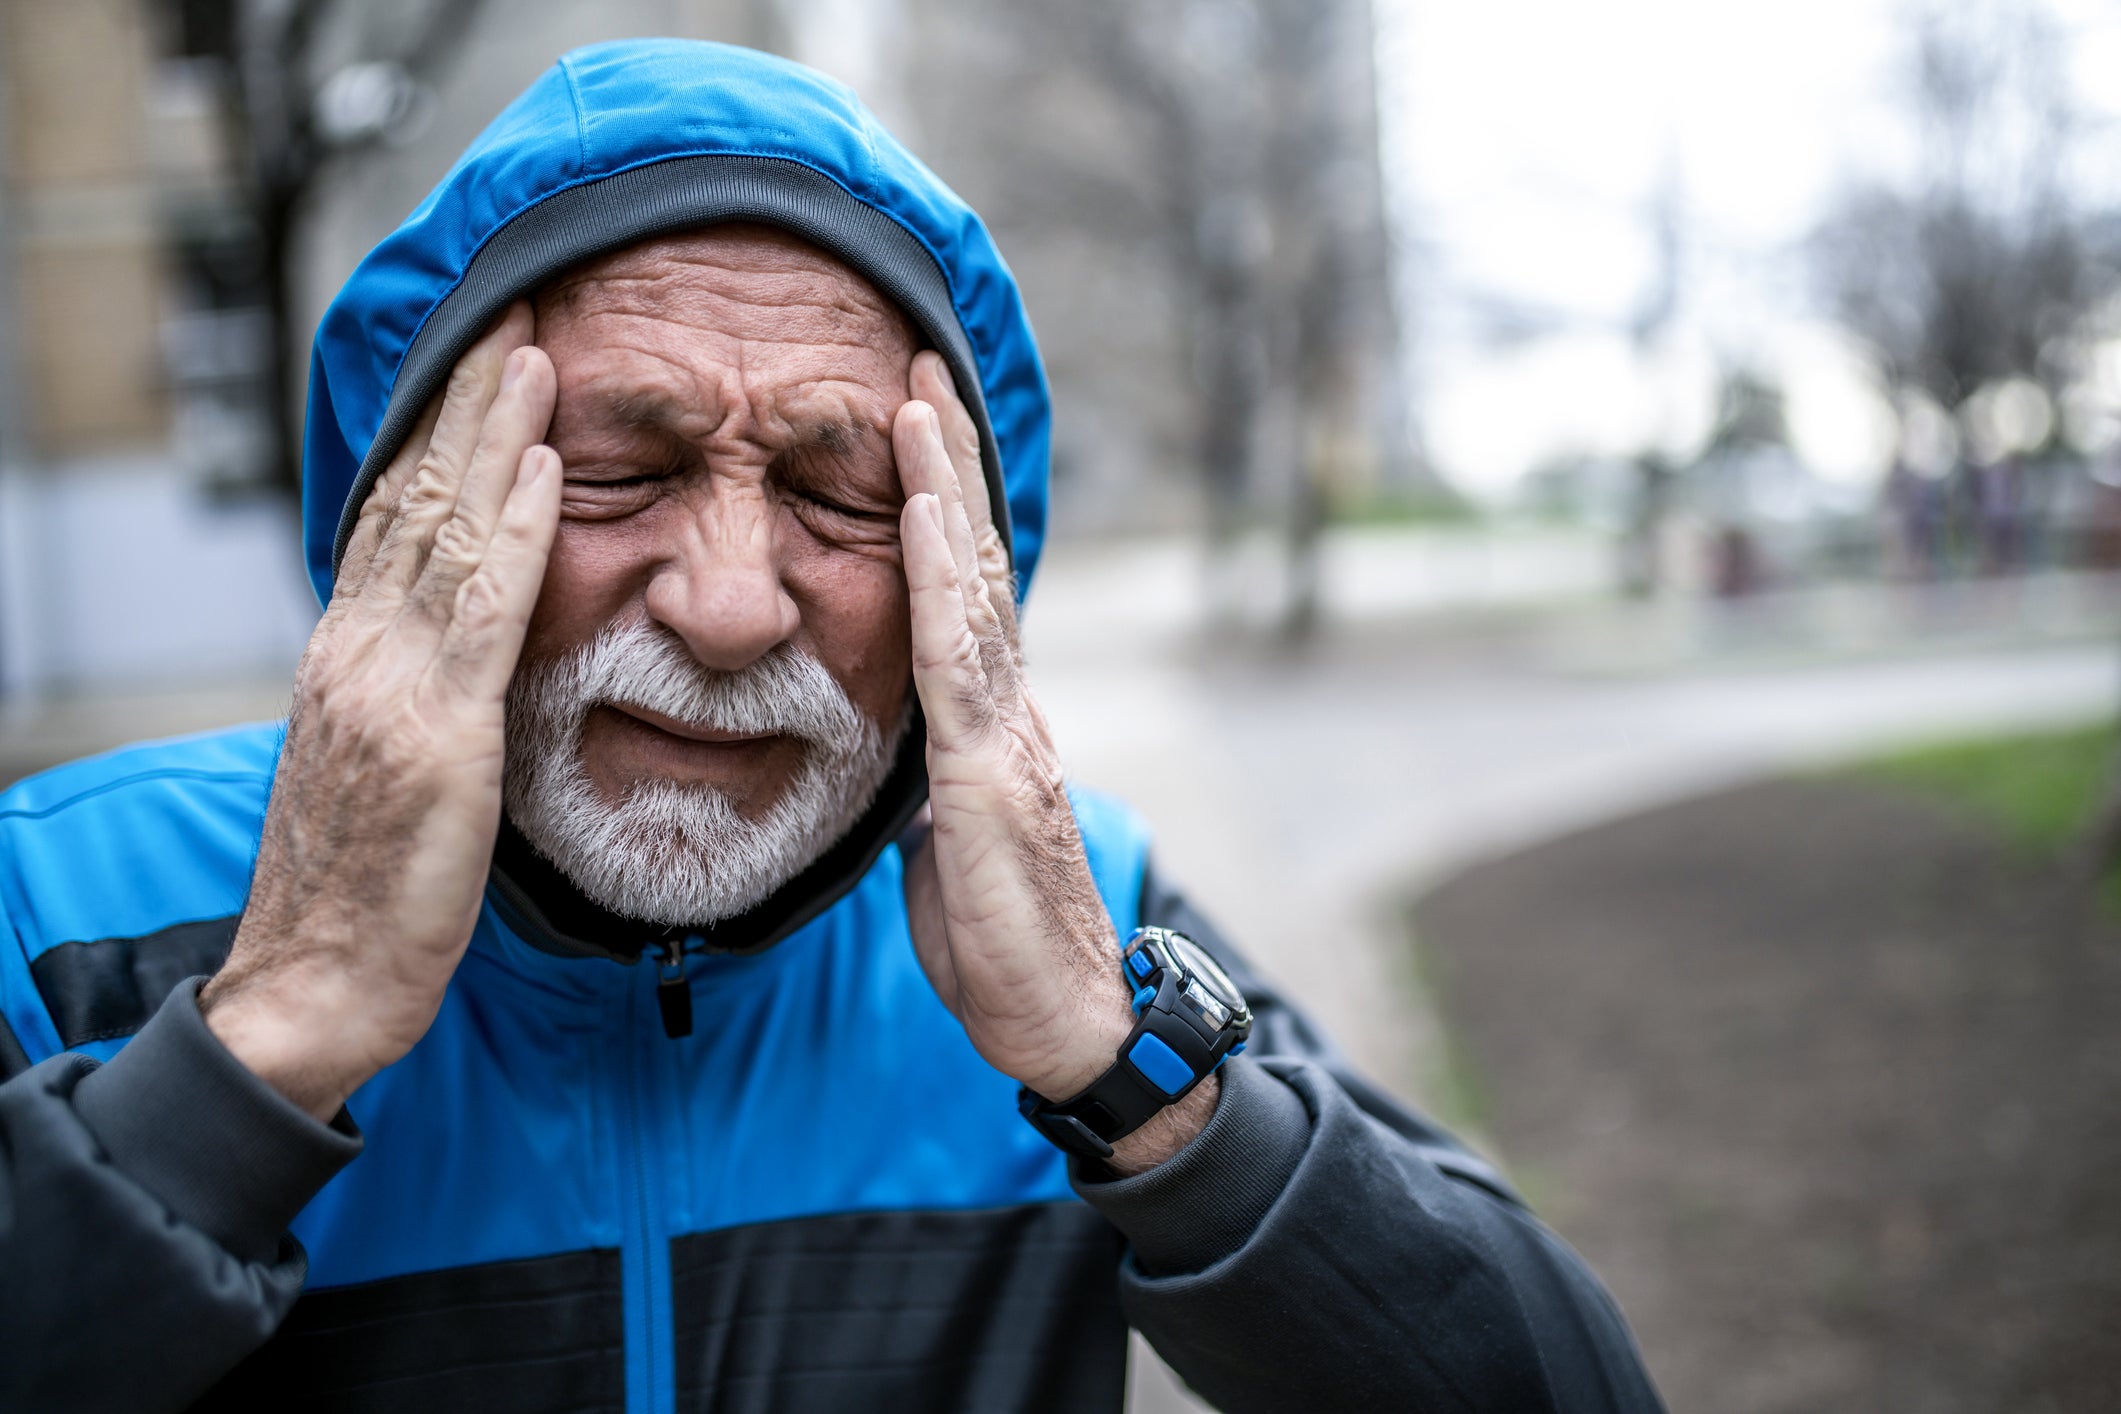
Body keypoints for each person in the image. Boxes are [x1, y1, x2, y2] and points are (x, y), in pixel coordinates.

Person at [0, 40, 1662, 1413]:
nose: (731, 605)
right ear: (410, 514)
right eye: (617, 471)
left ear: (967, 574)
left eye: (839, 492)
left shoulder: (1077, 914)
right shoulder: (63, 910)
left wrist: (1126, 1080)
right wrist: (274, 1035)